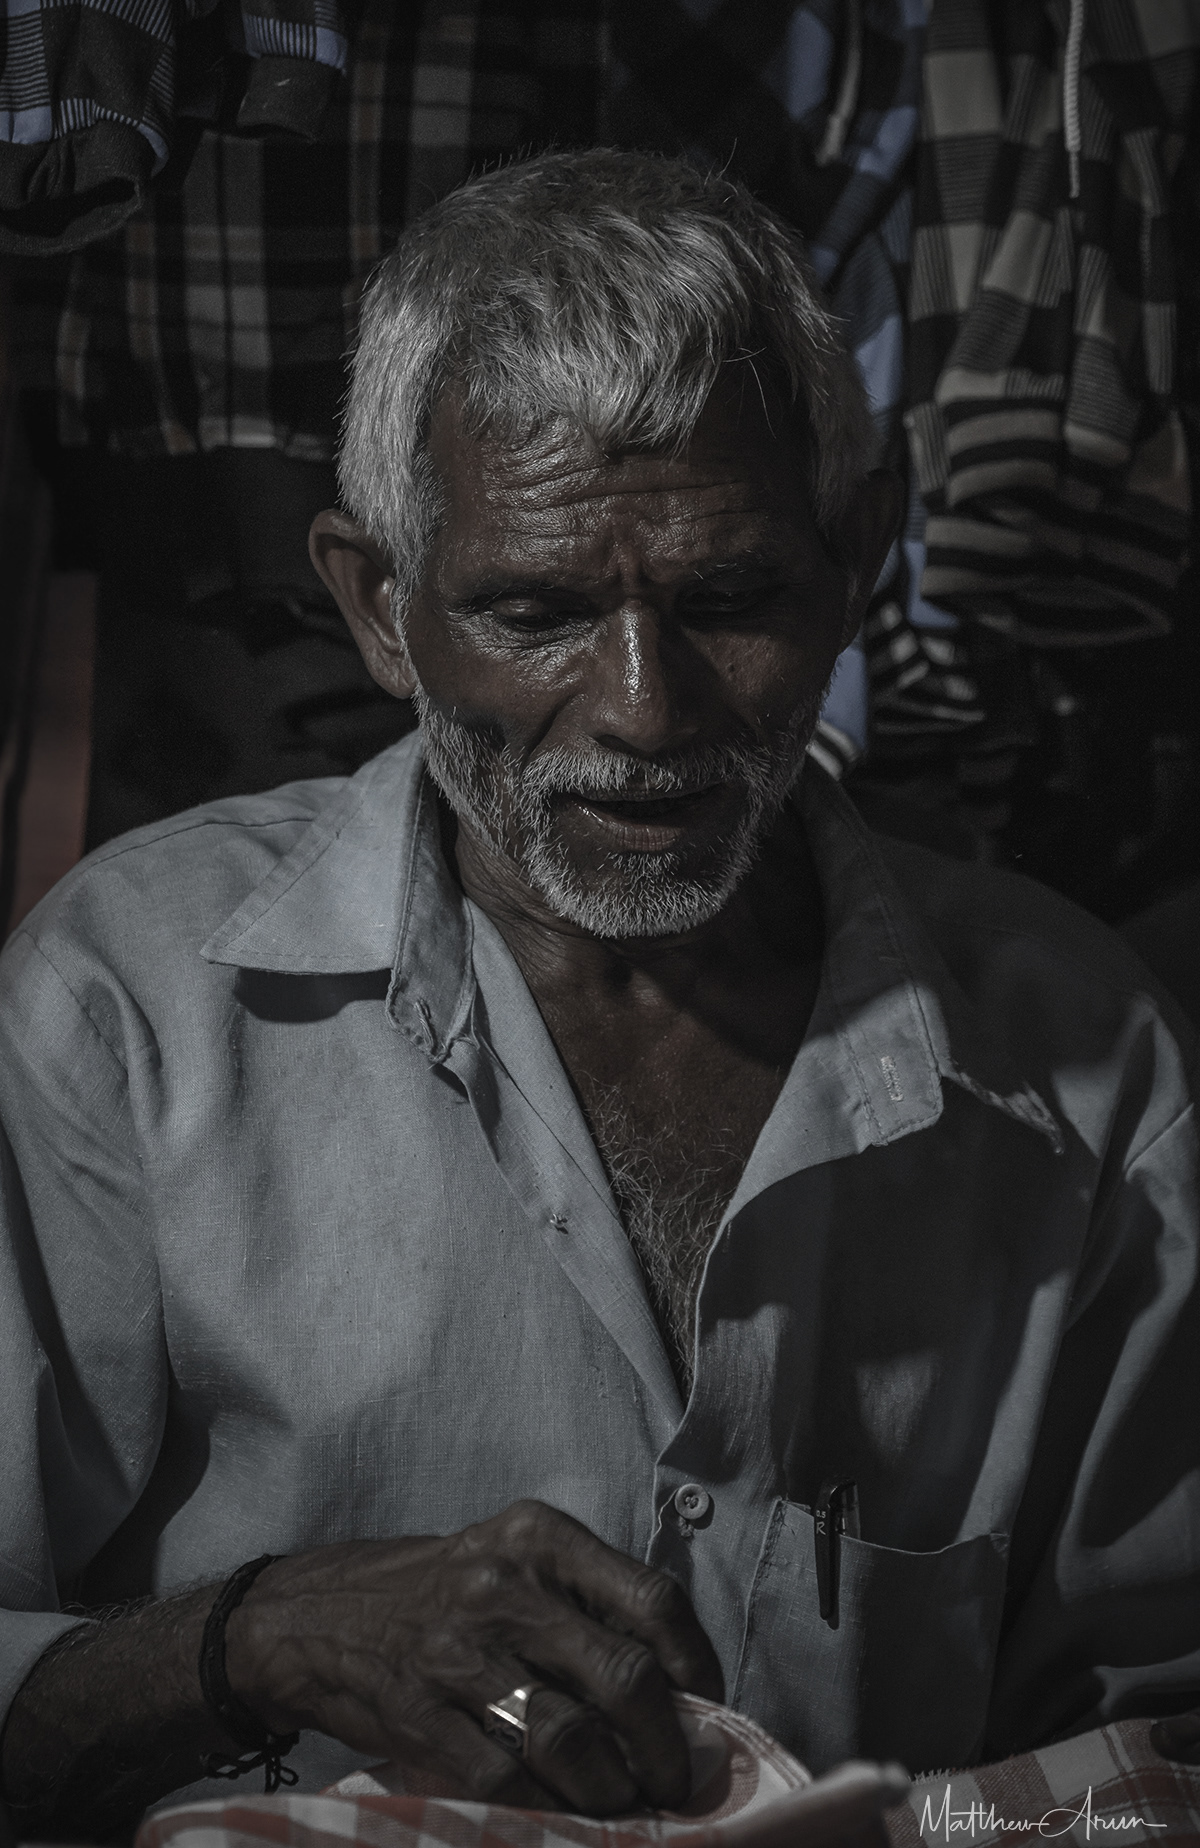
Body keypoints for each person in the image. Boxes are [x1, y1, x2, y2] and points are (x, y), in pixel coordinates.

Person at [0, 150, 1197, 1843]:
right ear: (380, 607)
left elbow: (1155, 1736)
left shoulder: (1085, 1061)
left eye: (729, 600)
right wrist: (254, 1637)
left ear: (859, 556)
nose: (644, 709)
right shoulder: (122, 1010)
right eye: (538, 610)